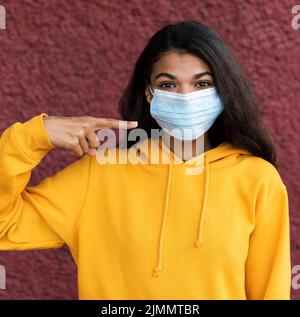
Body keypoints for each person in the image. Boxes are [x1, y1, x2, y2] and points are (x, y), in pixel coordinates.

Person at [0, 20, 291, 299]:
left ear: (223, 91)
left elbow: (270, 293)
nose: (186, 96)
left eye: (202, 84)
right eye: (168, 84)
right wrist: (34, 136)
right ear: (149, 93)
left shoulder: (258, 180)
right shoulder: (100, 173)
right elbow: (5, 225)